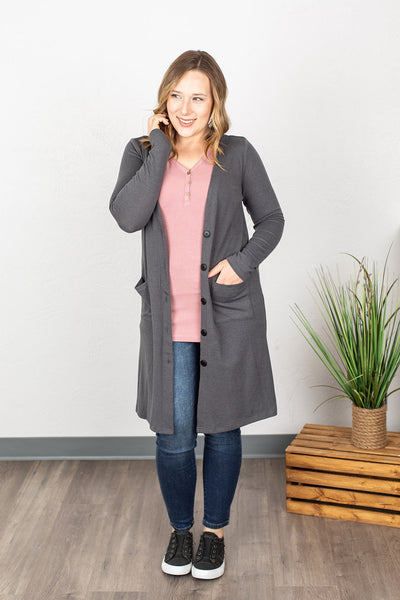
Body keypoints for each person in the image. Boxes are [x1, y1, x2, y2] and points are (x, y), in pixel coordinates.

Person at [109, 49, 285, 580]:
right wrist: (161, 146)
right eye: (177, 96)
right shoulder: (142, 151)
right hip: (168, 323)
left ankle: (215, 535)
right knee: (173, 434)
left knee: (223, 430)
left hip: (227, 316)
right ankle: (181, 530)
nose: (185, 109)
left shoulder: (238, 154)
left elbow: (272, 220)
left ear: (215, 104)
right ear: (164, 100)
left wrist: (242, 263)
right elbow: (127, 216)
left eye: (198, 98)